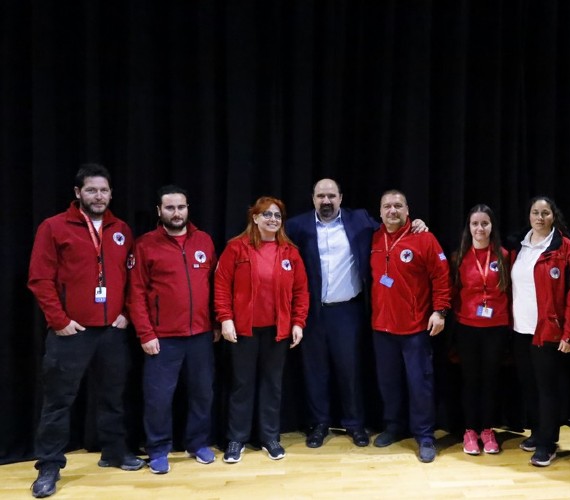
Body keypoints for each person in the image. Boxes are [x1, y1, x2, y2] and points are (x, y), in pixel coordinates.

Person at [27, 164, 145, 498]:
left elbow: (132, 278)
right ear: (78, 193)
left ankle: (115, 452)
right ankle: (49, 466)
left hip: (112, 331)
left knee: (113, 397)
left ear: (111, 194)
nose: (98, 196)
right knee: (58, 402)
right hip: (71, 333)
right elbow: (40, 279)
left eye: (104, 190)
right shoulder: (54, 227)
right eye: (91, 190)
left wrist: (125, 314)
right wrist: (59, 321)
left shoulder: (121, 229)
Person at [284, 178, 427, 449]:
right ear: (313, 199)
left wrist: (416, 224)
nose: (326, 201)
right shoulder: (297, 226)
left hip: (347, 312)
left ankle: (354, 423)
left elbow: (392, 227)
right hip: (311, 313)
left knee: (350, 370)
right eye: (321, 196)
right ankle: (319, 424)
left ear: (341, 197)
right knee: (315, 371)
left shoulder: (360, 221)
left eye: (331, 196)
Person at [126, 185, 219, 474]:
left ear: (188, 208)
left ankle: (198, 443)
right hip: (162, 338)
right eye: (170, 208)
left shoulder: (204, 240)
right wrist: (146, 333)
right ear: (159, 211)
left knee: (202, 393)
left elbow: (215, 286)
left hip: (201, 335)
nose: (176, 213)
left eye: (181, 207)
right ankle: (158, 449)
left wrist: (216, 322)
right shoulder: (145, 245)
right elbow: (136, 294)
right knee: (158, 399)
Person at [214, 196, 309, 462]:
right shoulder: (236, 248)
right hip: (243, 331)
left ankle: (269, 437)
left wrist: (298, 322)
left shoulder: (290, 252)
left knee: (272, 385)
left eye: (277, 215)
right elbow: (221, 286)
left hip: (277, 331)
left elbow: (301, 291)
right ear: (255, 218)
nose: (273, 219)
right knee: (241, 385)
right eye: (267, 214)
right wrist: (225, 318)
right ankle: (237, 438)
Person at [370, 189, 451, 463]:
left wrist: (440, 311)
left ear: (407, 210)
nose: (392, 210)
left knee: (420, 384)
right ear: (380, 212)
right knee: (388, 382)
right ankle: (394, 427)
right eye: (387, 206)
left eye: (398, 205)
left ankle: (425, 436)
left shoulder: (424, 238)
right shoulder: (374, 238)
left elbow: (441, 276)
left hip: (415, 328)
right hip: (382, 328)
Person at [508, 195, 570, 467]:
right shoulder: (520, 245)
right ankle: (537, 433)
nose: (539, 218)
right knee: (529, 386)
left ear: (554, 216)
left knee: (547, 390)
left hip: (548, 331)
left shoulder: (567, 249)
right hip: (521, 330)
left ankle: (547, 444)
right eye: (535, 212)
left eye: (545, 213)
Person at [451, 204, 511, 455]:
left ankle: (487, 430)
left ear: (492, 226)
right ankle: (469, 431)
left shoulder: (504, 256)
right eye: (475, 223)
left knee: (490, 380)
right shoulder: (459, 257)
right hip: (467, 327)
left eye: (484, 223)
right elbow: (454, 292)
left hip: (495, 328)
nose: (479, 228)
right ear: (469, 227)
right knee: (470, 380)